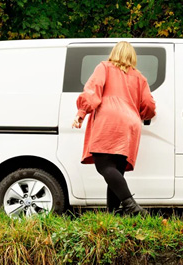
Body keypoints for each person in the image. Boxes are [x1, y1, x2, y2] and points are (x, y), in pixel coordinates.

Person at [72, 41, 156, 215]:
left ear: (114, 53)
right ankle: (112, 214)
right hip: (130, 124)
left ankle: (131, 206)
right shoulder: (140, 77)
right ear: (132, 57)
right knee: (117, 171)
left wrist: (81, 112)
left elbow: (92, 91)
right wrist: (142, 116)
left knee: (104, 167)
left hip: (108, 120)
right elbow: (148, 104)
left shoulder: (105, 67)